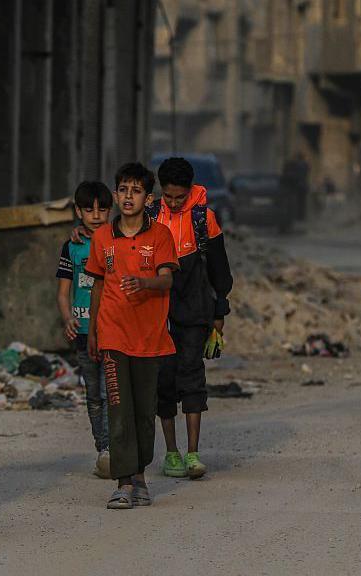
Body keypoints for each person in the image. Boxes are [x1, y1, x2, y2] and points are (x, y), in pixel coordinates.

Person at [85, 162, 178, 509]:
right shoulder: (102, 238)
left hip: (150, 337)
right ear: (115, 194)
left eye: (135, 191)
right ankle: (123, 482)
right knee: (119, 408)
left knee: (143, 410)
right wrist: (93, 330)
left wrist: (145, 282)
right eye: (123, 189)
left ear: (147, 198)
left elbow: (168, 279)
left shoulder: (160, 236)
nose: (128, 196)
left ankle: (139, 475)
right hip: (112, 336)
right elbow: (97, 284)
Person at [152, 157, 233, 480]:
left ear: (190, 191)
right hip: (159, 309)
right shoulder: (150, 216)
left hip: (196, 307)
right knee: (164, 379)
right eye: (168, 197)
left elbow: (219, 269)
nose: (173, 203)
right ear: (161, 191)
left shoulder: (204, 219)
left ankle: (193, 453)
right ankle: (171, 452)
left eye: (179, 197)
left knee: (192, 376)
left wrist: (219, 312)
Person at [56, 181, 113, 479]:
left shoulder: (116, 240)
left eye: (102, 209)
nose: (95, 215)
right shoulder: (72, 245)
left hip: (112, 331)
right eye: (88, 209)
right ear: (78, 211)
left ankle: (111, 452)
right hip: (83, 332)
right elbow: (63, 291)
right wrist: (68, 319)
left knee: (109, 393)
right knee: (93, 394)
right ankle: (102, 447)